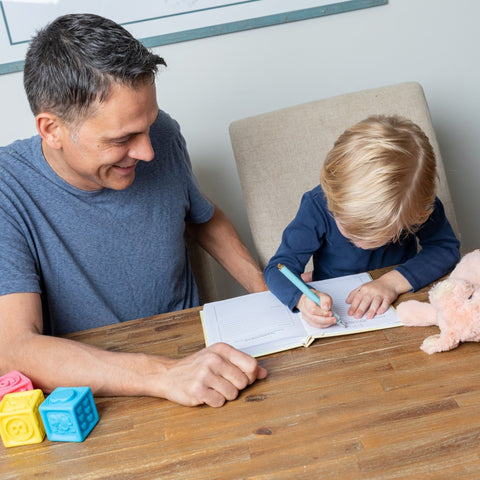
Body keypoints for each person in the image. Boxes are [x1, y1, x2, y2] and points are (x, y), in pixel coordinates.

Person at [0, 13, 268, 407]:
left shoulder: (163, 134)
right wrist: (165, 374)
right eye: (123, 138)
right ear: (52, 130)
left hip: (200, 359)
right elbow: (14, 350)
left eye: (149, 126)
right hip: (101, 385)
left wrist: (268, 295)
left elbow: (202, 218)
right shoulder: (8, 188)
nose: (147, 152)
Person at [264, 115, 460, 328]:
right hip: (336, 307)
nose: (360, 245)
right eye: (351, 231)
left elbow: (445, 249)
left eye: (382, 236)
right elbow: (278, 268)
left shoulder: (413, 202)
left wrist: (391, 283)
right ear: (332, 200)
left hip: (401, 304)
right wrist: (302, 299)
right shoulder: (316, 206)